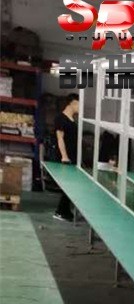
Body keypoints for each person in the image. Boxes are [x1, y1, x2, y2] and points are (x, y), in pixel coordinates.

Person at [53, 94, 79, 222]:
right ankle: (60, 211)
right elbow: (60, 138)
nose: (80, 108)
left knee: (71, 186)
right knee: (68, 185)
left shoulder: (72, 119)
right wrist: (64, 156)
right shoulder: (60, 118)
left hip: (73, 156)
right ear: (72, 103)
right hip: (66, 158)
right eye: (79, 104)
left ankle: (65, 210)